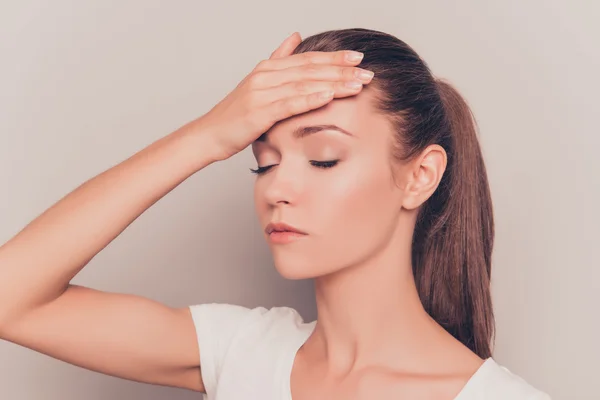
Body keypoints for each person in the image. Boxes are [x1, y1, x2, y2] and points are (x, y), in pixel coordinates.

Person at [0, 28, 550, 399]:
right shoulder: (242, 352)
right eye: (262, 164)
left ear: (420, 176)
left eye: (322, 158)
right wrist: (209, 135)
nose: (278, 188)